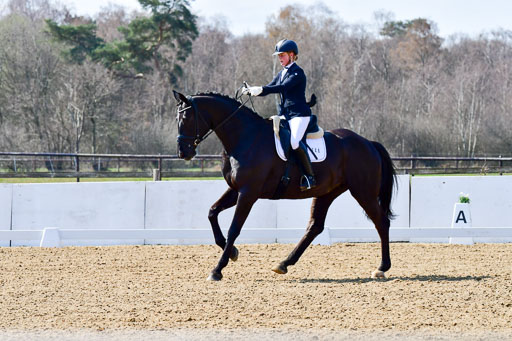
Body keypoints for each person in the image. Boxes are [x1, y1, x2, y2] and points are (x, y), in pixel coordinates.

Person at [243, 39, 316, 191]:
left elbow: (282, 88)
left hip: (299, 116)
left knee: (295, 142)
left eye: (282, 55)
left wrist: (261, 89)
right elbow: (270, 87)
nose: (280, 58)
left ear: (291, 55)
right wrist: (253, 91)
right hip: (286, 115)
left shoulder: (298, 73)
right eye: (278, 56)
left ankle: (309, 177)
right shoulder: (281, 73)